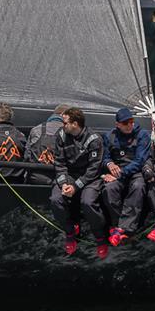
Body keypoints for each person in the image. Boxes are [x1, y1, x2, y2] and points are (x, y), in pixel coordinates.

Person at [49, 107, 109, 259]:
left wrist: (76, 187)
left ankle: (100, 236)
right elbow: (60, 163)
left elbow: (93, 170)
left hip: (89, 178)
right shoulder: (61, 136)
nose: (63, 125)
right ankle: (70, 231)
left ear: (75, 124)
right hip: (69, 175)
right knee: (56, 199)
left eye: (65, 123)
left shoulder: (94, 139)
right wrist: (63, 184)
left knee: (88, 202)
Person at [100, 107, 151, 246]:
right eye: (125, 123)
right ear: (117, 124)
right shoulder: (109, 136)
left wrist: (121, 174)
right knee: (108, 189)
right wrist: (109, 164)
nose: (129, 125)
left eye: (131, 121)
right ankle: (119, 226)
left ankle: (125, 229)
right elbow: (104, 157)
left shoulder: (142, 135)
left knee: (139, 186)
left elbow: (140, 161)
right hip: (116, 172)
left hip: (135, 172)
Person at [24, 104, 69, 184]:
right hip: (58, 182)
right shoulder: (68, 133)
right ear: (64, 115)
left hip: (34, 180)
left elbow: (27, 156)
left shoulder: (36, 129)